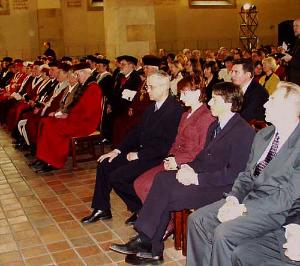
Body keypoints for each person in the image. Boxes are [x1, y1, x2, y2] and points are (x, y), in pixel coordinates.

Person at [109, 82, 255, 265]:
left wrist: (196, 178)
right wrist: (188, 167)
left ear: (228, 103)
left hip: (220, 188)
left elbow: (235, 174)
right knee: (162, 180)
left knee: (165, 195)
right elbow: (203, 157)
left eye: (214, 99)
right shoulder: (216, 125)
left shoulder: (243, 131)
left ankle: (149, 245)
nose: (209, 102)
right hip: (203, 178)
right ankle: (149, 246)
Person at [187, 81, 300, 266]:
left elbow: (286, 197)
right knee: (198, 220)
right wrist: (233, 199)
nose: (264, 104)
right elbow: (247, 175)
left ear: (287, 108)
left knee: (224, 233)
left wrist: (242, 209)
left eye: (271, 100)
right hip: (246, 200)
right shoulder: (264, 135)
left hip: (274, 210)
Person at [81, 73, 182, 225]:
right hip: (142, 152)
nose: (147, 90)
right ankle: (102, 209)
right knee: (105, 164)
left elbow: (165, 145)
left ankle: (142, 208)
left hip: (155, 157)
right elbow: (136, 132)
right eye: (147, 86)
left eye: (150, 87)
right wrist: (117, 150)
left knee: (118, 177)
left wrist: (139, 155)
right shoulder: (152, 107)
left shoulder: (174, 110)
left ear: (164, 87)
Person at [34, 62, 103, 172]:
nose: (76, 77)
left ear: (84, 72)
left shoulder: (93, 88)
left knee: (53, 127)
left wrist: (67, 116)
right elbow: (76, 107)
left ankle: (53, 162)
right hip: (76, 119)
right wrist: (65, 114)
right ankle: (43, 158)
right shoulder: (85, 86)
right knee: (46, 121)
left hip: (85, 123)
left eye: (77, 74)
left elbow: (88, 113)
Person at [282, 18, 300, 85]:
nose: (294, 28)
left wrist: (291, 59)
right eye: (293, 26)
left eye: (297, 26)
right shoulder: (297, 41)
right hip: (294, 81)